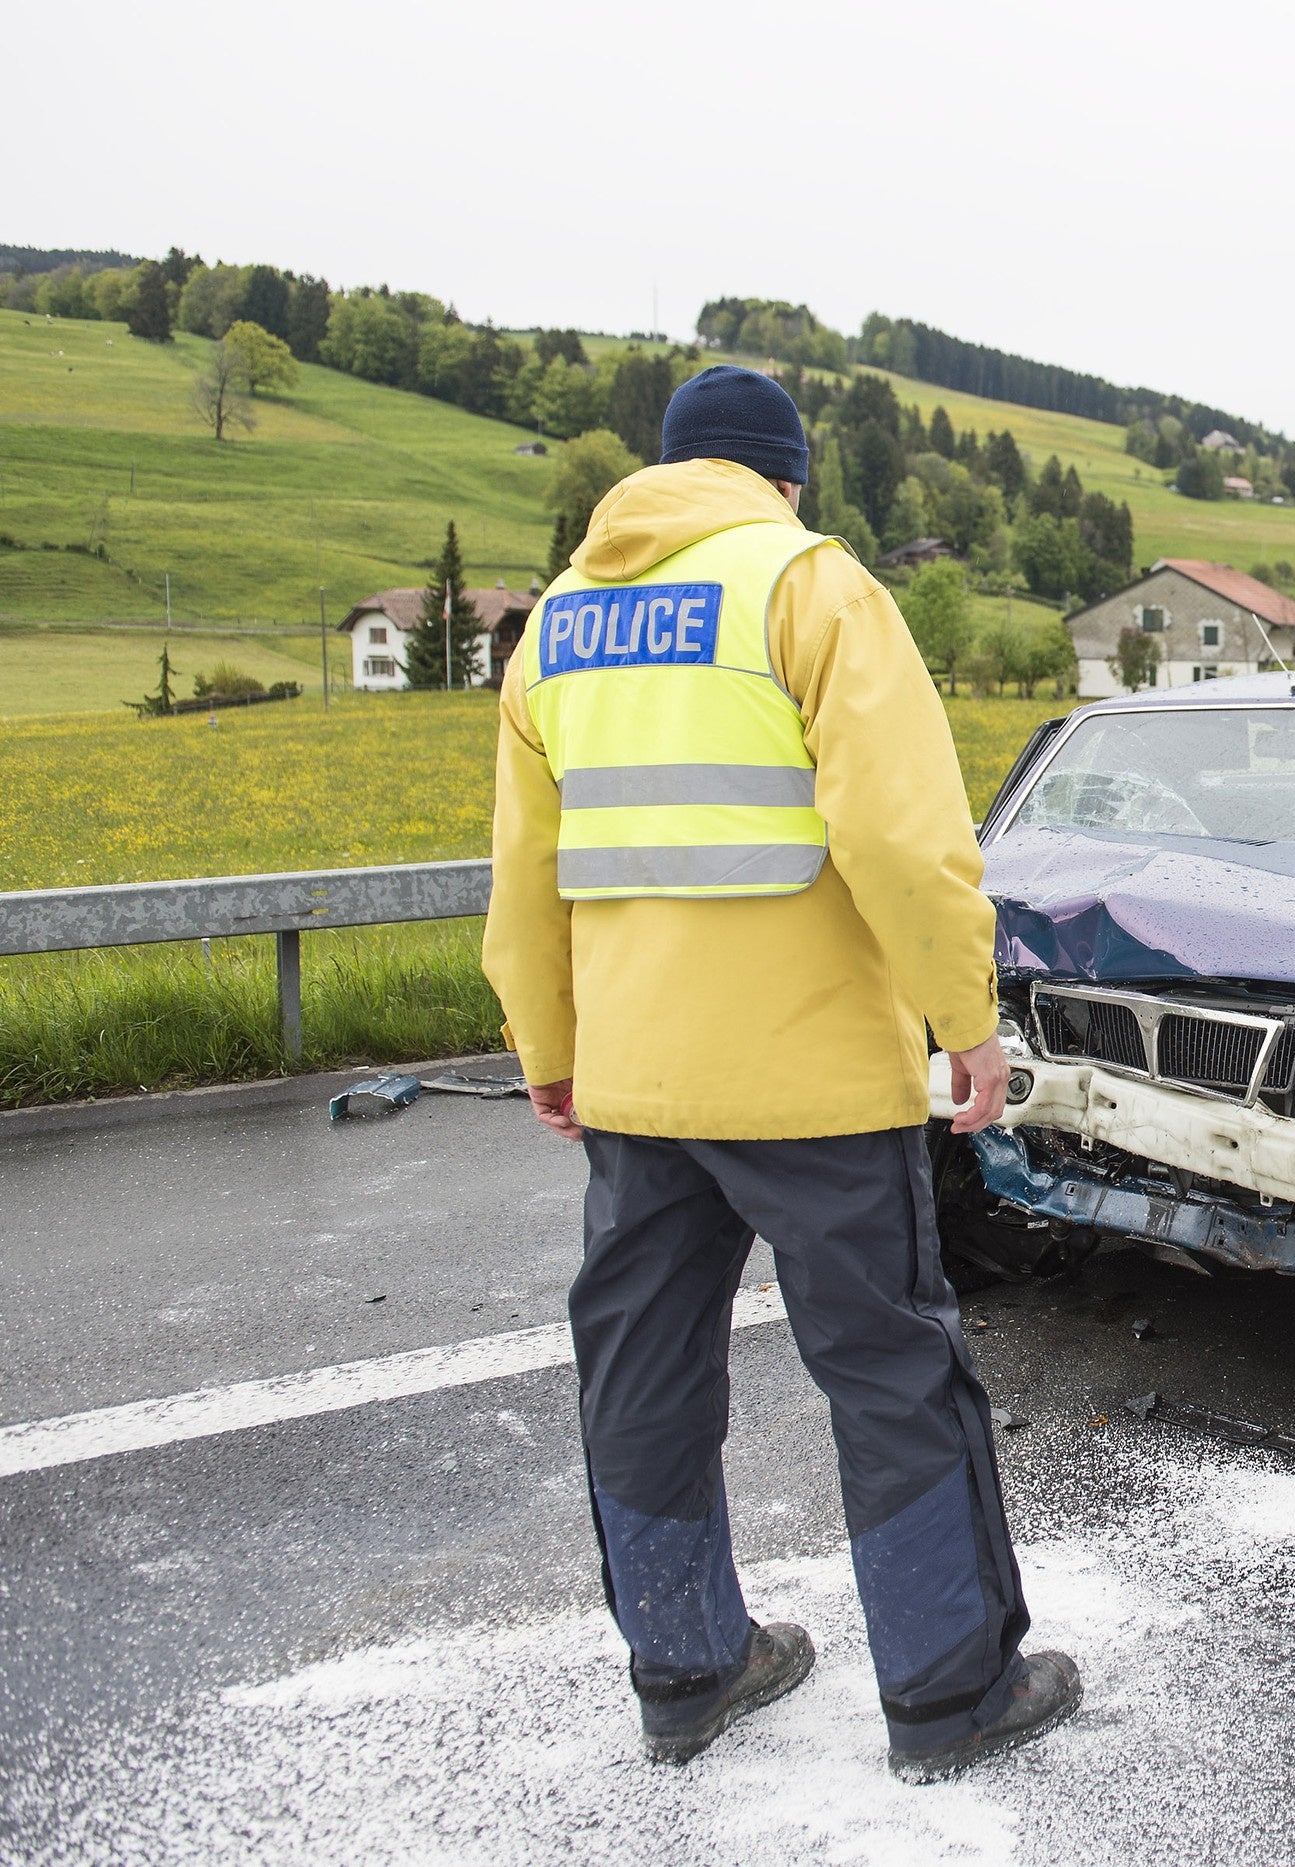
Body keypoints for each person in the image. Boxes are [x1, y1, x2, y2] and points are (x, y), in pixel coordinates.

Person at [482, 364, 1079, 1777]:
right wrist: (963, 1016)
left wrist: (549, 1048)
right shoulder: (810, 585)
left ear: (666, 472)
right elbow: (900, 835)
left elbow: (523, 872)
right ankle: (948, 1694)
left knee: (639, 1366)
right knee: (888, 1370)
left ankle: (686, 1666)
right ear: (786, 476)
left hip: (636, 1084)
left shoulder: (558, 621)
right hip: (815, 1085)